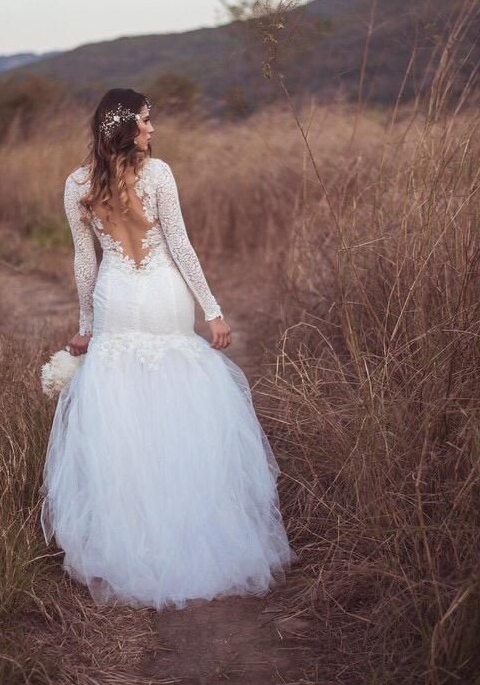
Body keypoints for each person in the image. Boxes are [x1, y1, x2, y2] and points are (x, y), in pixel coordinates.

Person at [40, 87, 296, 610]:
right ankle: (187, 521)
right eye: (147, 121)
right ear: (127, 127)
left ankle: (130, 536)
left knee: (120, 409)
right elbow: (179, 244)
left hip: (116, 299)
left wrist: (86, 325)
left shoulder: (76, 184)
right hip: (161, 295)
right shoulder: (158, 174)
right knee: (178, 401)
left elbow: (84, 261)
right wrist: (213, 308)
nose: (153, 130)